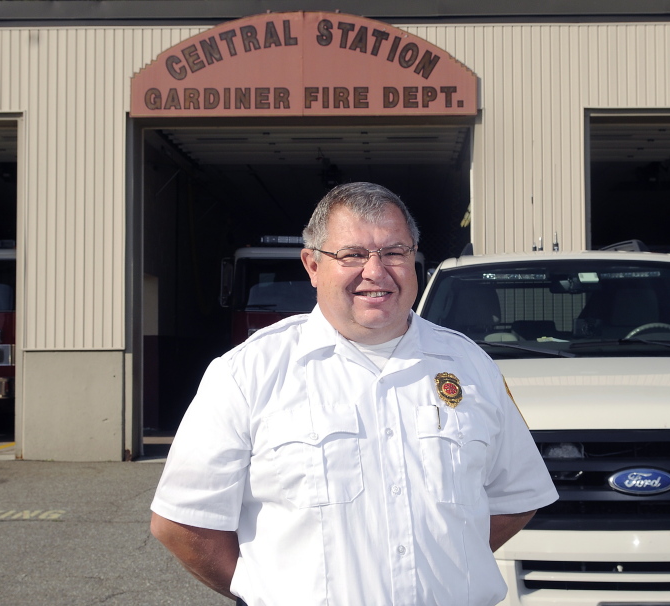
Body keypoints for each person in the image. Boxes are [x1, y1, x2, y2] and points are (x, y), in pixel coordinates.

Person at [150, 182, 558, 605]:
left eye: (395, 252)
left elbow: (516, 496)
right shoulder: (246, 373)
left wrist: (450, 564)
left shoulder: (470, 365)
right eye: (352, 255)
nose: (376, 271)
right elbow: (182, 524)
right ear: (312, 265)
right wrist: (266, 591)